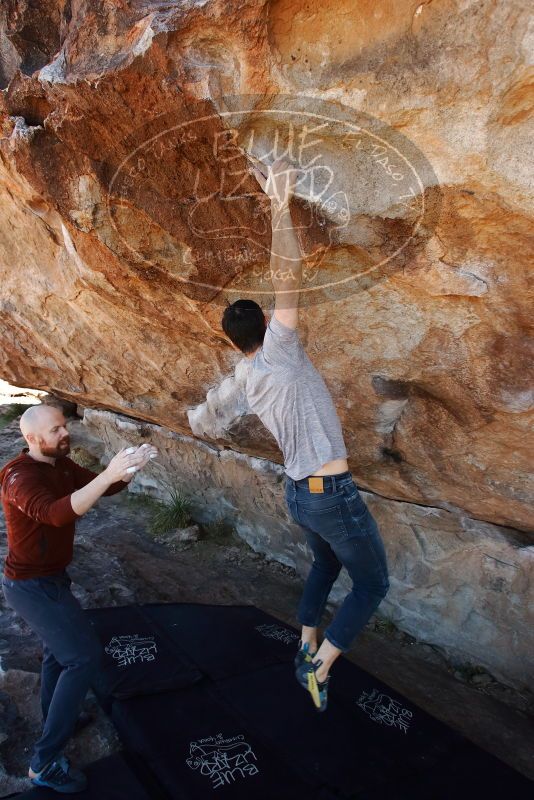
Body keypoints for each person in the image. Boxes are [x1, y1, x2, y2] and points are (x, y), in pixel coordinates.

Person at [221, 159, 390, 712]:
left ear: (232, 343)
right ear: (266, 328)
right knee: (372, 586)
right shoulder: (280, 352)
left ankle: (305, 642)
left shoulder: (247, 373)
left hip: (299, 492)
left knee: (325, 564)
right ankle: (317, 669)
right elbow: (286, 274)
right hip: (330, 494)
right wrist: (278, 204)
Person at [0, 403, 157, 793]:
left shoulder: (62, 465)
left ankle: (57, 718)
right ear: (32, 439)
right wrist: (107, 475)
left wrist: (131, 465)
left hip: (52, 578)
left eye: (64, 425)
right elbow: (54, 514)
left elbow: (106, 486)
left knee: (59, 653)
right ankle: (44, 763)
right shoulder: (18, 476)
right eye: (55, 430)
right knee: (82, 657)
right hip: (30, 586)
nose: (64, 433)